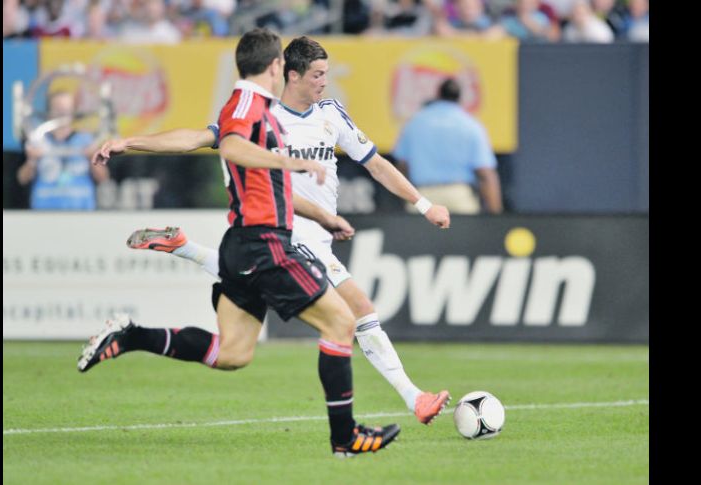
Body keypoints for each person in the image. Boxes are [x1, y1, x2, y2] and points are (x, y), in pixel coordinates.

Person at [91, 35, 453, 427]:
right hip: (288, 234)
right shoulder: (262, 116)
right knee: (358, 310)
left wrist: (423, 204)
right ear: (291, 74)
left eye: (326, 74)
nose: (323, 82)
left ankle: (182, 256)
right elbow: (199, 138)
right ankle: (407, 402)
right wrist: (133, 142)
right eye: (317, 75)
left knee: (233, 354)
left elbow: (376, 164)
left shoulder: (331, 113)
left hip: (302, 239)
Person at [393, 77, 503, 215]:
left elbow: (401, 167)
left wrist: (403, 201)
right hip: (459, 196)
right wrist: (496, 215)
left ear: (438, 94)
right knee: (464, 237)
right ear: (460, 97)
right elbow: (486, 174)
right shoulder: (471, 125)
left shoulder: (415, 123)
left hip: (422, 196)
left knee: (418, 237)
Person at [16, 90, 109, 210]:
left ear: (73, 111)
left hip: (82, 211)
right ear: (49, 112)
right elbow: (22, 179)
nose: (62, 114)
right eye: (57, 109)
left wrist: (92, 158)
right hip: (43, 212)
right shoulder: (38, 141)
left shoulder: (87, 140)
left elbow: (103, 178)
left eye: (66, 109)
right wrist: (31, 160)